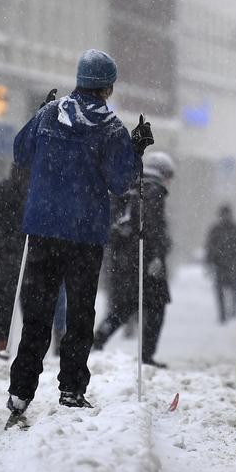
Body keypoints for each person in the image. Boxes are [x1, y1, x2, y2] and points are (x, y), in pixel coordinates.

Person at [5, 49, 150, 429]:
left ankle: (20, 394)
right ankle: (71, 389)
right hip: (85, 235)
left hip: (42, 229)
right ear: (109, 86)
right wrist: (136, 149)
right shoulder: (112, 128)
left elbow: (21, 155)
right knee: (80, 313)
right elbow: (121, 182)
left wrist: (38, 111)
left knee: (36, 314)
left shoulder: (49, 115)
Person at [92, 150, 174, 366]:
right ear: (163, 173)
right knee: (156, 306)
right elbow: (152, 226)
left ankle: (98, 338)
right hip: (146, 259)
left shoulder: (129, 187)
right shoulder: (153, 190)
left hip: (125, 260)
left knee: (124, 307)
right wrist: (157, 255)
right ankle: (146, 355)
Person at [0, 169, 29, 358]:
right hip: (28, 259)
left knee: (3, 311)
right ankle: (29, 351)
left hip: (1, 259)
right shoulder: (34, 193)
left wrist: (4, 228)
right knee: (32, 310)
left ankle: (2, 348)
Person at [205, 204, 236, 324]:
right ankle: (223, 314)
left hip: (232, 263)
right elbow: (209, 247)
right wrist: (210, 261)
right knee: (220, 290)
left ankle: (233, 310)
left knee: (235, 289)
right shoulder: (216, 230)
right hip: (220, 264)